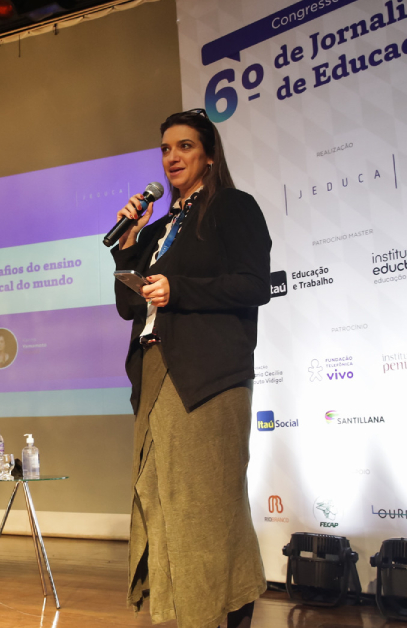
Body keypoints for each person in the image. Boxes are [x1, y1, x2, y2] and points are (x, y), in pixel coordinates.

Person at [110, 109, 271, 628]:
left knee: (206, 508)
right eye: (165, 149)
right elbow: (128, 305)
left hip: (207, 376)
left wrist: (180, 291)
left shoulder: (233, 208)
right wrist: (132, 242)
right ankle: (185, 612)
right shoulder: (159, 228)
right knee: (159, 499)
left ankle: (225, 613)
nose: (172, 157)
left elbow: (254, 285)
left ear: (208, 154)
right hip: (156, 370)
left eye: (183, 147)